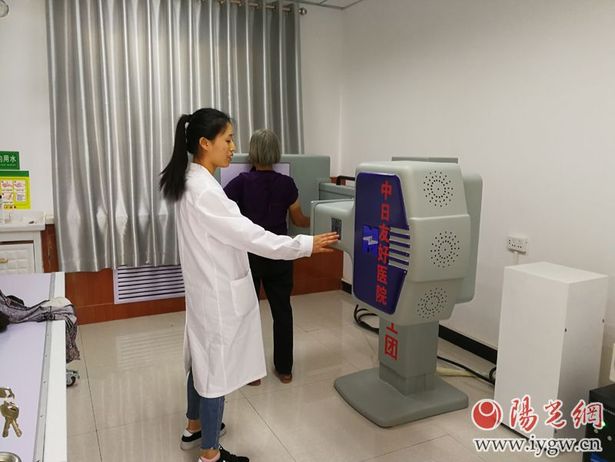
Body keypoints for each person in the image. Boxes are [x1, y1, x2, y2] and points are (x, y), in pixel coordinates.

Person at [159, 108, 338, 462]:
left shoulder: (191, 182)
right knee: (215, 371)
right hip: (216, 293)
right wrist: (303, 245)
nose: (233, 147)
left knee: (201, 359)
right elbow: (253, 236)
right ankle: (210, 454)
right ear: (205, 143)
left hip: (205, 289)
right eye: (227, 139)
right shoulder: (206, 192)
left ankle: (194, 427)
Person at [224, 129, 310, 385]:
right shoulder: (287, 184)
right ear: (276, 153)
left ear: (252, 153)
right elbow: (299, 220)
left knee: (247, 313)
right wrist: (324, 217)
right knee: (282, 311)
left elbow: (225, 217)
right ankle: (284, 369)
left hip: (249, 256)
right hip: (280, 254)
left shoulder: (239, 183)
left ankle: (251, 374)